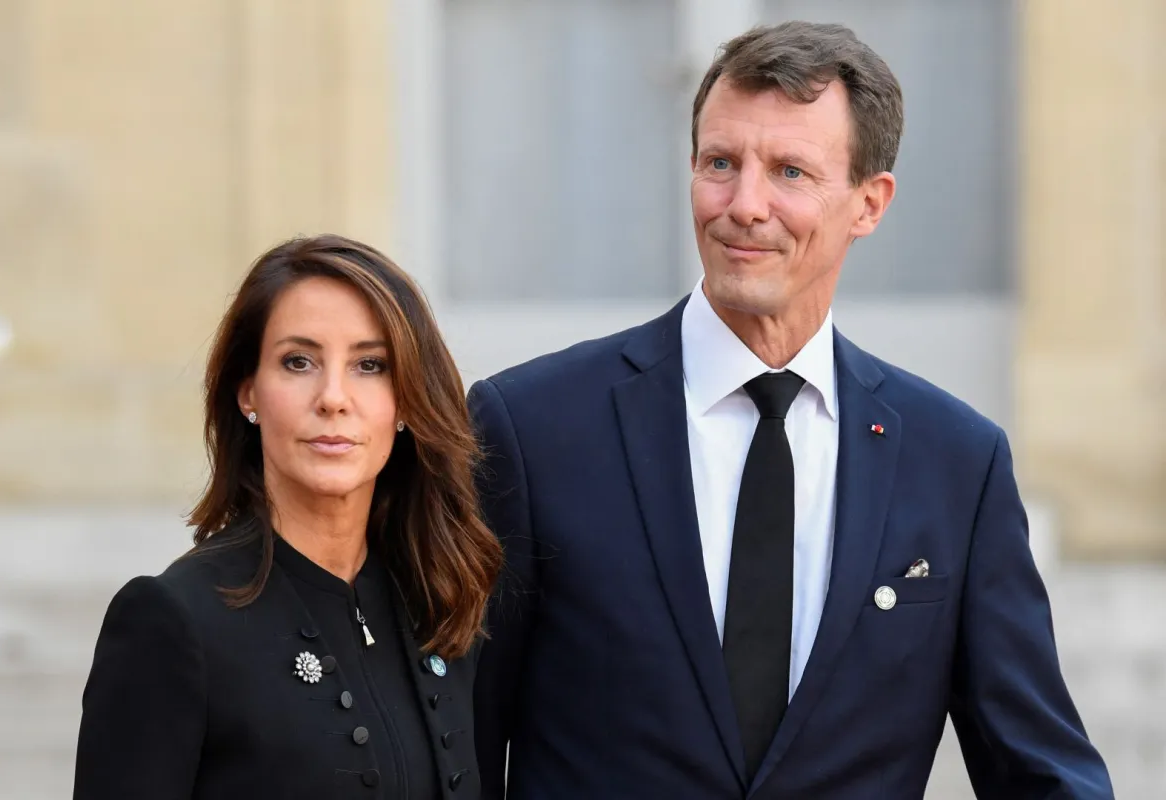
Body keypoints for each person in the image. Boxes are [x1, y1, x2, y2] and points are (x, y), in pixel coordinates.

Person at [469, 21, 1113, 800]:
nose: (744, 205)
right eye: (720, 163)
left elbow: (1041, 771)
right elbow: (454, 749)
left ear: (869, 203)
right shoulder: (532, 428)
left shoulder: (956, 464)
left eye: (789, 172)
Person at [74, 235, 501, 799]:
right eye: (298, 362)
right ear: (248, 392)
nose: (333, 397)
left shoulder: (440, 602)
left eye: (369, 365)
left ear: (407, 401)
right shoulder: (172, 619)